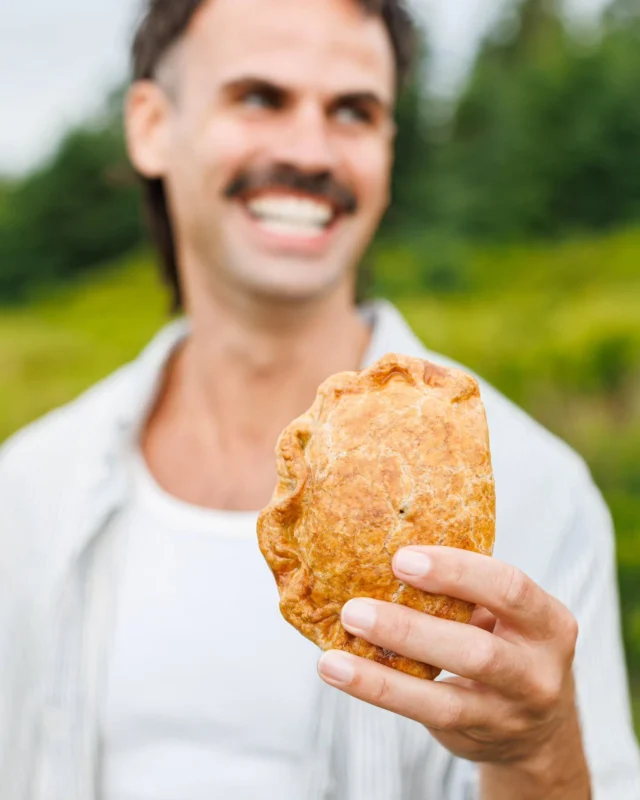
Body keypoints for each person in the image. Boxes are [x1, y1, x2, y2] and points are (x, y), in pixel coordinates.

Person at [1, 0, 639, 797]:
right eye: (260, 98)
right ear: (151, 125)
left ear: (388, 149)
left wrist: (534, 753)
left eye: (353, 111)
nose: (310, 151)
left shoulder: (541, 496)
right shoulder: (28, 494)